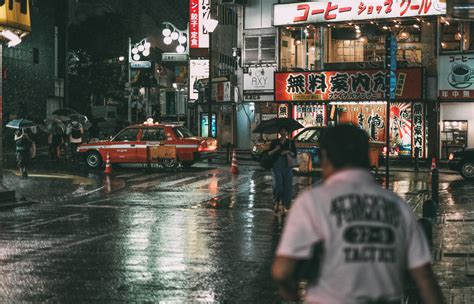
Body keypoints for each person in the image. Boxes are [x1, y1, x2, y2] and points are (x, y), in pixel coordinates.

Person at [272, 124, 444, 304]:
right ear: (366, 158)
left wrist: (292, 294)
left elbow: (282, 270)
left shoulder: (312, 203)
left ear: (324, 158)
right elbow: (424, 276)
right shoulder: (397, 206)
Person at [268, 126, 297, 214]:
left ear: (287, 132)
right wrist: (276, 149)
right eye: (281, 131)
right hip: (277, 165)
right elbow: (269, 153)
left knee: (287, 186)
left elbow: (294, 154)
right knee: (278, 186)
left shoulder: (290, 142)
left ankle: (285, 205)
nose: (283, 132)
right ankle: (276, 202)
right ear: (279, 132)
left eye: (285, 131)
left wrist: (288, 152)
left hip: (287, 165)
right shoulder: (275, 142)